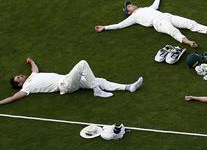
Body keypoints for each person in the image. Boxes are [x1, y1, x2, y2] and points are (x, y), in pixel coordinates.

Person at [95, 0, 207, 48]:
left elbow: (155, 6)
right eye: (129, 6)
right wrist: (105, 27)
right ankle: (188, 42)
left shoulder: (144, 8)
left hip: (166, 15)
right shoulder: (133, 17)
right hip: (157, 23)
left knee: (188, 22)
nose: (131, 4)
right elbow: (119, 25)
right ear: (128, 11)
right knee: (173, 31)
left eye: (130, 4)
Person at [1, 58, 143, 105]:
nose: (20, 75)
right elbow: (13, 97)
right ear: (19, 84)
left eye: (19, 75)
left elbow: (35, 68)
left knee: (99, 80)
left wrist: (30, 61)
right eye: (18, 78)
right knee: (82, 64)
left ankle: (128, 87)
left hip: (68, 79)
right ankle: (97, 91)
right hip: (65, 85)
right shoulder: (27, 88)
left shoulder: (33, 76)